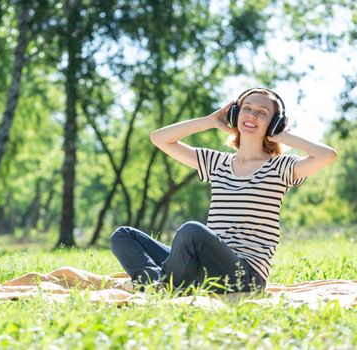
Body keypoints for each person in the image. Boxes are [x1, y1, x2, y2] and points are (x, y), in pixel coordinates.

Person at [110, 88, 337, 293]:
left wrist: (285, 136)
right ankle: (162, 285)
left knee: (192, 231)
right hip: (206, 266)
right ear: (234, 114)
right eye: (246, 108)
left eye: (262, 112)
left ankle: (163, 285)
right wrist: (210, 121)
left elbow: (327, 155)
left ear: (274, 122)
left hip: (245, 275)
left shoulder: (281, 167)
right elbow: (158, 138)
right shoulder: (216, 162)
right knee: (123, 235)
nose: (252, 115)